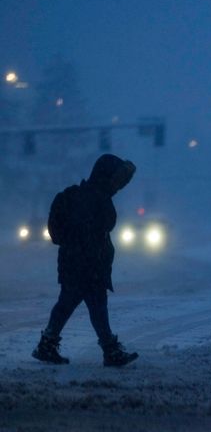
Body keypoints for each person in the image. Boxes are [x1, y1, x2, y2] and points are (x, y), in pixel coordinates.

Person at [32, 154, 139, 367]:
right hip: (87, 264)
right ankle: (109, 350)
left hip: (79, 262)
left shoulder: (87, 196)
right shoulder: (94, 199)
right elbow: (93, 231)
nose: (119, 186)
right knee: (91, 305)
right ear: (105, 177)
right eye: (117, 180)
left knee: (73, 303)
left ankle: (49, 344)